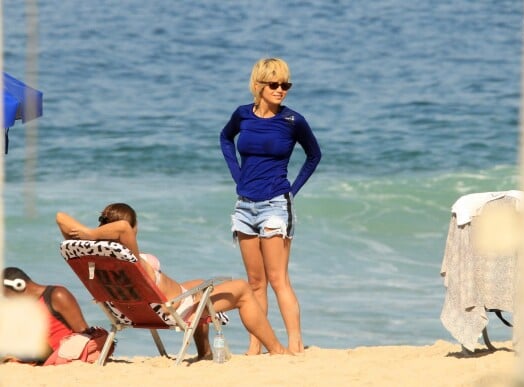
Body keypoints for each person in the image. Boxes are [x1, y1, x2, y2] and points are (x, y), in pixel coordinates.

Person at [55, 203, 290, 358]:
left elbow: (60, 217)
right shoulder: (130, 258)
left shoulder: (90, 255)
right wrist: (93, 234)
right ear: (134, 229)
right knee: (242, 288)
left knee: (198, 282)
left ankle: (205, 352)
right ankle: (278, 350)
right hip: (171, 309)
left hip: (132, 310)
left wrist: (88, 235)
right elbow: (124, 227)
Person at [219, 57, 322, 354]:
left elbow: (314, 155)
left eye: (285, 85)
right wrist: (237, 174)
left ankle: (295, 345)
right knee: (254, 282)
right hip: (244, 207)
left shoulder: (293, 121)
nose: (281, 90)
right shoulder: (242, 115)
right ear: (258, 85)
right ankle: (256, 347)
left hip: (276, 205)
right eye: (274, 84)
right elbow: (225, 139)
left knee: (278, 280)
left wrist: (293, 190)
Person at [2, 267, 112, 365]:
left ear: (18, 285)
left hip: (61, 354)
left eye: (7, 295)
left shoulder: (57, 295)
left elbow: (83, 334)